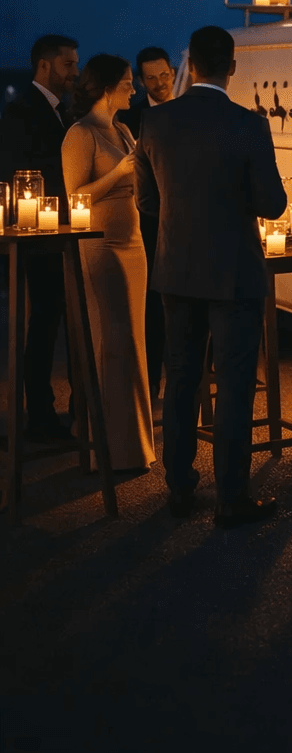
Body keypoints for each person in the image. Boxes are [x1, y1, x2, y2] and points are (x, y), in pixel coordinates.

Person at [135, 25, 287, 527]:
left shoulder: (154, 123)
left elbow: (148, 203)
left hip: (175, 268)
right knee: (235, 383)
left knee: (179, 379)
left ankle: (179, 488)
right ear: (233, 67)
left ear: (190, 66)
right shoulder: (248, 125)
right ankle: (231, 497)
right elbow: (272, 203)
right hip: (234, 271)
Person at [61, 54, 156, 472]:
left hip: (133, 244)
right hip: (101, 246)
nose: (134, 89)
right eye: (128, 82)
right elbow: (75, 197)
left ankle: (135, 446)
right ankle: (109, 448)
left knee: (134, 343)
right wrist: (119, 173)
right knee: (112, 344)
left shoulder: (120, 128)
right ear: (106, 87)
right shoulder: (80, 135)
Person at [0, 34, 79, 441]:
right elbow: (21, 170)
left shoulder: (60, 110)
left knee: (54, 320)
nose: (74, 72)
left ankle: (57, 410)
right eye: (68, 65)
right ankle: (40, 414)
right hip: (40, 232)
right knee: (44, 320)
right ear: (45, 66)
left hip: (59, 230)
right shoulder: (21, 111)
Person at [118, 46, 177, 405]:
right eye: (151, 78)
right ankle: (150, 387)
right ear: (141, 82)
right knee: (152, 311)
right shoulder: (132, 120)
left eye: (164, 76)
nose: (159, 83)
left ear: (173, 73)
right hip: (148, 223)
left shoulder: (189, 112)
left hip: (183, 224)